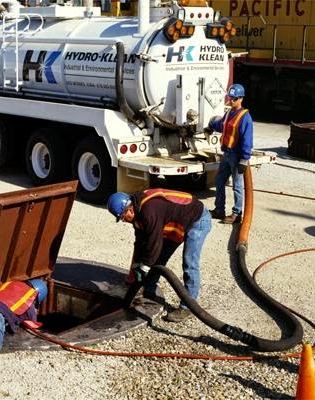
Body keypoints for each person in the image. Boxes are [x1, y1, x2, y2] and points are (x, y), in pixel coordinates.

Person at [107, 189, 211, 322]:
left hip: (197, 218)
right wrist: (137, 265)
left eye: (122, 217)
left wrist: (144, 266)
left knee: (190, 263)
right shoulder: (138, 211)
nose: (123, 221)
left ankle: (188, 307)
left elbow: (154, 242)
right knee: (158, 258)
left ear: (130, 210)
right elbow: (140, 242)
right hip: (176, 220)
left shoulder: (149, 211)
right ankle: (148, 291)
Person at [206, 83, 253, 224]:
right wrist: (211, 125)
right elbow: (222, 125)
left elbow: (247, 140)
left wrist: (244, 160)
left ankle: (237, 214)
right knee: (219, 180)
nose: (231, 101)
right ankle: (219, 210)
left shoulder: (245, 118)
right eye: (230, 98)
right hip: (226, 154)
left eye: (234, 99)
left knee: (237, 186)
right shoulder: (229, 113)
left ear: (241, 99)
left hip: (236, 156)